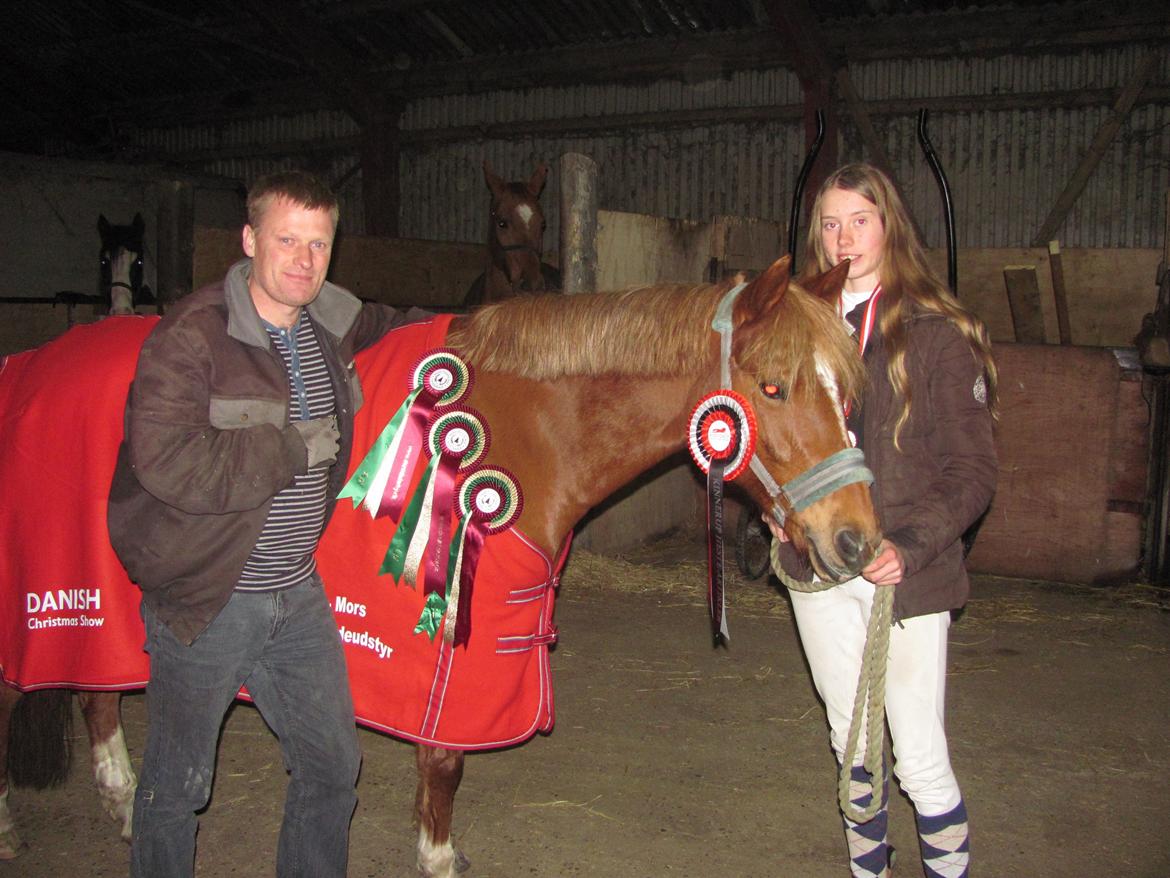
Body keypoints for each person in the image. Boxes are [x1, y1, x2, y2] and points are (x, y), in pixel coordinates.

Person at [108, 170, 429, 877]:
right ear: (250, 240)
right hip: (209, 596)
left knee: (332, 767)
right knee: (177, 786)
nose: (304, 261)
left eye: (319, 244)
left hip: (296, 594)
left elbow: (400, 321)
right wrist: (288, 448)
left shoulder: (329, 320)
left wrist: (484, 326)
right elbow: (164, 461)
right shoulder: (191, 337)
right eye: (287, 240)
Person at [772, 163, 998, 878]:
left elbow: (973, 473)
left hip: (904, 573)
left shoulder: (936, 335)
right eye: (830, 225)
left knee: (919, 756)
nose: (843, 239)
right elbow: (775, 439)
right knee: (852, 747)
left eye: (859, 221)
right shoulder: (795, 329)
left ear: (888, 226)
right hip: (820, 563)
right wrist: (779, 513)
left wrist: (910, 544)